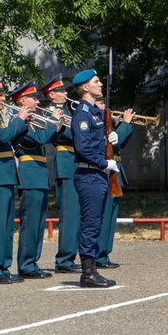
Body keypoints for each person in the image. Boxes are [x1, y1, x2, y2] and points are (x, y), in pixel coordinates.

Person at [71, 69, 119, 288]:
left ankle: (91, 270)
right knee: (90, 224)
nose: (100, 84)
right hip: (89, 174)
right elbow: (82, 148)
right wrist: (103, 163)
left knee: (96, 222)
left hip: (97, 175)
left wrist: (111, 138)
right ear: (84, 87)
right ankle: (88, 273)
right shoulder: (82, 113)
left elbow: (96, 142)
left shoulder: (95, 112)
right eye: (96, 82)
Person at [11, 80, 64, 278]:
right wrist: (52, 121)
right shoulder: (17, 120)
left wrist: (56, 125)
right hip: (29, 173)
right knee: (30, 222)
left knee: (39, 221)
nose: (36, 100)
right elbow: (39, 139)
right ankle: (26, 265)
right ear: (22, 100)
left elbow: (47, 137)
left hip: (40, 172)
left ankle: (32, 262)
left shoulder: (33, 119)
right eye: (33, 97)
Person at [41, 74, 82, 274]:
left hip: (76, 162)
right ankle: (64, 259)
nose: (66, 94)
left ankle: (71, 256)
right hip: (66, 162)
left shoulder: (66, 111)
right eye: (61, 91)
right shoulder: (51, 113)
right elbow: (69, 134)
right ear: (51, 95)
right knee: (70, 214)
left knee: (78, 214)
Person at [0, 75, 29, 284]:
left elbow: (10, 140)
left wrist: (23, 125)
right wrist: (18, 120)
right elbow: (1, 137)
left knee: (6, 226)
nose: (3, 98)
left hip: (5, 175)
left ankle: (3, 267)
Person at [96, 99, 134, 268]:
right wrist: (125, 124)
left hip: (116, 170)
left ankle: (105, 252)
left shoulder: (106, 121)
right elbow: (107, 143)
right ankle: (99, 254)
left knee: (111, 216)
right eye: (99, 103)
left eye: (104, 103)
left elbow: (119, 143)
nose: (103, 106)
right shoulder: (94, 121)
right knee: (104, 215)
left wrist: (123, 129)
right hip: (105, 170)